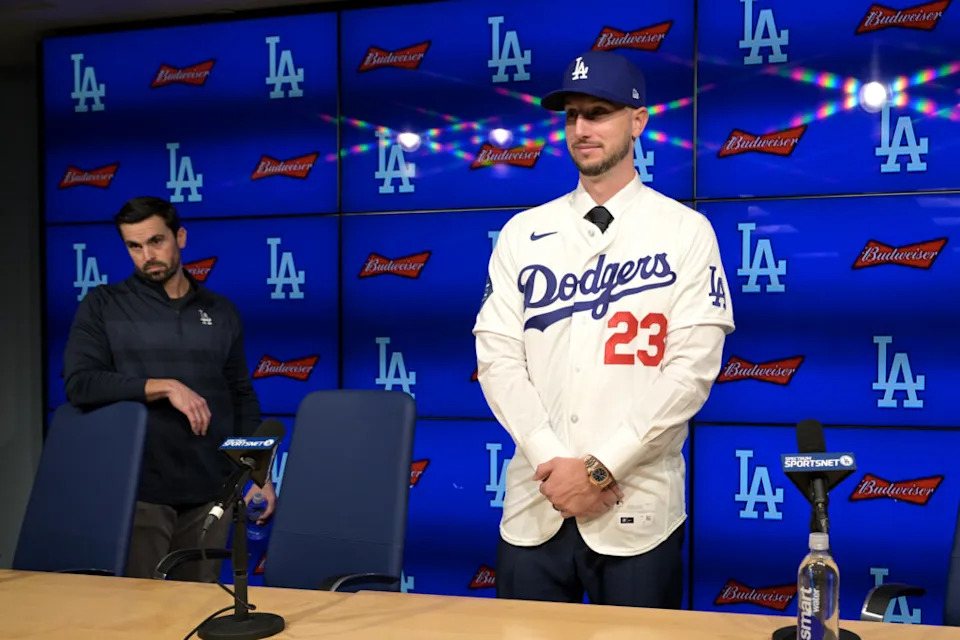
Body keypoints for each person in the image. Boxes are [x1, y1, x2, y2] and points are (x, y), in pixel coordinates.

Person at [473, 50, 735, 608]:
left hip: (636, 503)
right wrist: (554, 462)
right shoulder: (524, 232)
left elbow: (689, 373)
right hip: (536, 499)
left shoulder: (686, 231)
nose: (581, 128)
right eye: (572, 115)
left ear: (638, 122)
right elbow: (497, 359)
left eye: (599, 112)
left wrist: (597, 469)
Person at [63, 196, 276, 582]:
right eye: (134, 246)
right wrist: (164, 387)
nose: (147, 255)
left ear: (180, 236)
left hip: (212, 493)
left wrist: (258, 476)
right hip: (138, 493)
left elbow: (241, 397)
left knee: (196, 615)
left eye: (156, 241)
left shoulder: (222, 310)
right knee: (139, 619)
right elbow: (80, 383)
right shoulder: (103, 305)